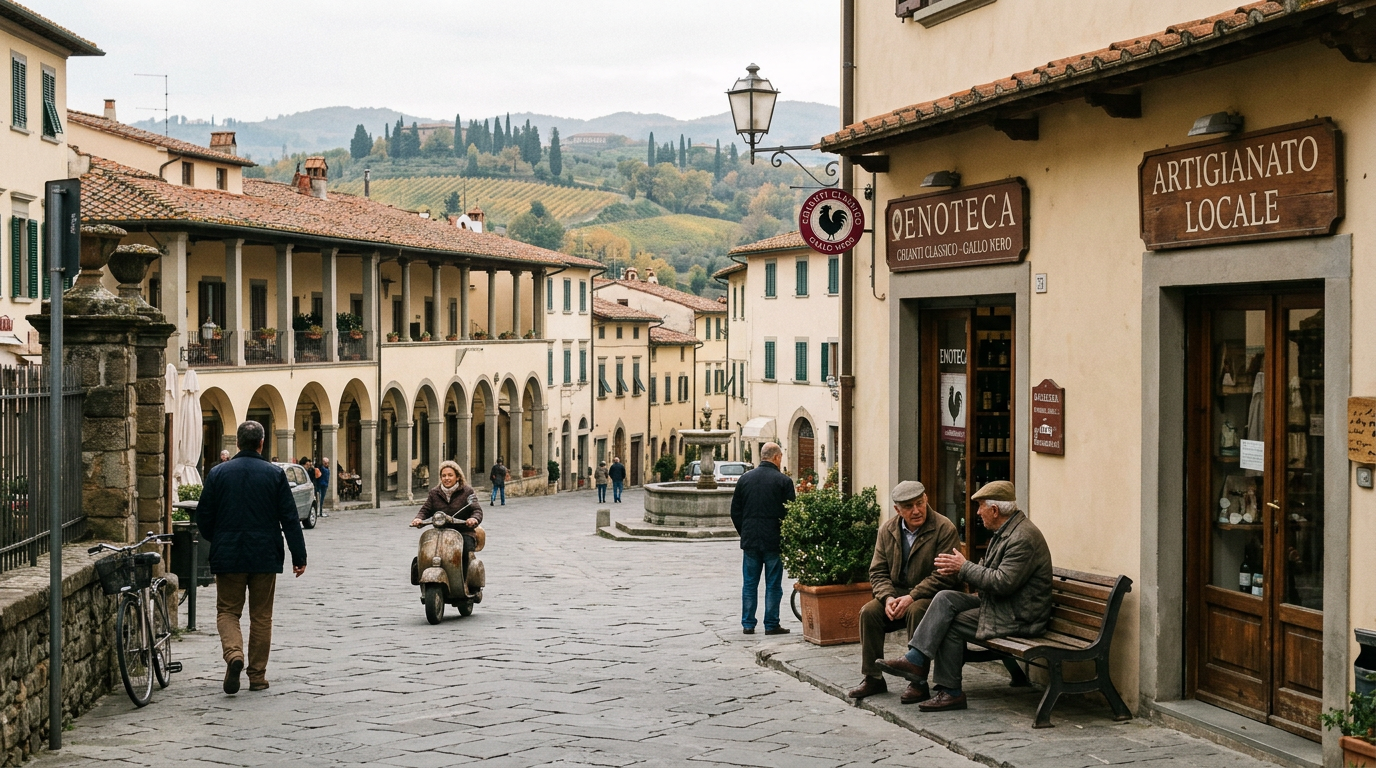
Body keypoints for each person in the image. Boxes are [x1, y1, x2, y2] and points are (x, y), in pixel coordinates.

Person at [876, 481, 1053, 712]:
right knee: (945, 598)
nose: (978, 513)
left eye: (980, 507)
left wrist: (963, 568)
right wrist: (961, 569)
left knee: (952, 623)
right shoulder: (1005, 531)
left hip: (1019, 615)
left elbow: (1003, 583)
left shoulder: (1022, 537)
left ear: (995, 510)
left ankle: (951, 691)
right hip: (1001, 605)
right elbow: (991, 576)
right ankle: (916, 660)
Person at [196, 421, 307, 695]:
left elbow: (204, 516)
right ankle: (257, 676)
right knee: (261, 616)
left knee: (227, 611)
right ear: (262, 443)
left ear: (237, 443)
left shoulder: (217, 473)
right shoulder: (274, 474)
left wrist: (218, 537)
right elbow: (290, 518)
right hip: (264, 554)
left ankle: (234, 655)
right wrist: (298, 555)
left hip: (228, 553)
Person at [849, 481, 961, 704]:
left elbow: (944, 575)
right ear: (897, 510)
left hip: (932, 595)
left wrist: (912, 596)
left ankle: (917, 683)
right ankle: (873, 677)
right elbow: (877, 571)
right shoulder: (887, 530)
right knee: (869, 612)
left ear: (926, 499)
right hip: (896, 592)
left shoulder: (943, 527)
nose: (916, 510)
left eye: (919, 503)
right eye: (908, 506)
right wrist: (888, 597)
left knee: (917, 610)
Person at [729, 442, 794, 636]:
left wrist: (745, 531)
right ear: (776, 457)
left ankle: (748, 624)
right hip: (774, 540)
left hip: (750, 540)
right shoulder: (783, 482)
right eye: (781, 457)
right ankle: (771, 624)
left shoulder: (744, 479)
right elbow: (790, 513)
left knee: (749, 583)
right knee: (773, 584)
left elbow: (735, 511)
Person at [411, 460, 482, 570]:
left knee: (464, 552)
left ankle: (465, 581)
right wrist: (418, 519)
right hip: (440, 532)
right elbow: (425, 509)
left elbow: (476, 509)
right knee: (426, 551)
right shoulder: (434, 493)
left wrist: (473, 519)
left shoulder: (467, 492)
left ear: (457, 477)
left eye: (450, 475)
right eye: (443, 475)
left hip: (463, 531)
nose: (446, 478)